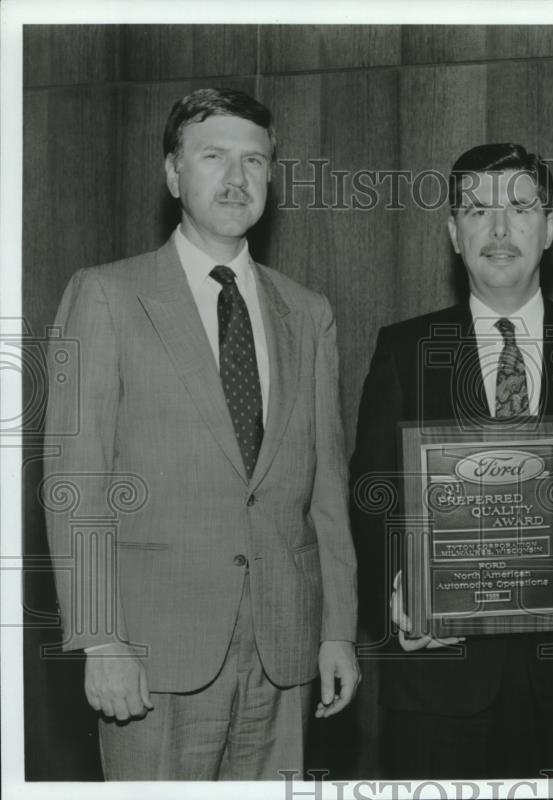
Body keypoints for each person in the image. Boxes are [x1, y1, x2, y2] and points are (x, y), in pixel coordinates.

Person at [43, 87, 359, 780]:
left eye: (255, 160)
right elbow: (77, 483)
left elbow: (327, 491)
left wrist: (337, 630)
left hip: (285, 654)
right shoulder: (107, 296)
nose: (237, 177)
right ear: (173, 174)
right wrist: (101, 641)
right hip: (154, 653)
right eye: (213, 156)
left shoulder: (308, 314)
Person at [350, 143, 553, 778]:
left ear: (550, 228)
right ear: (452, 233)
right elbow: (370, 492)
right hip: (438, 675)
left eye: (520, 209)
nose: (499, 229)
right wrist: (398, 593)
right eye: (476, 211)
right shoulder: (403, 348)